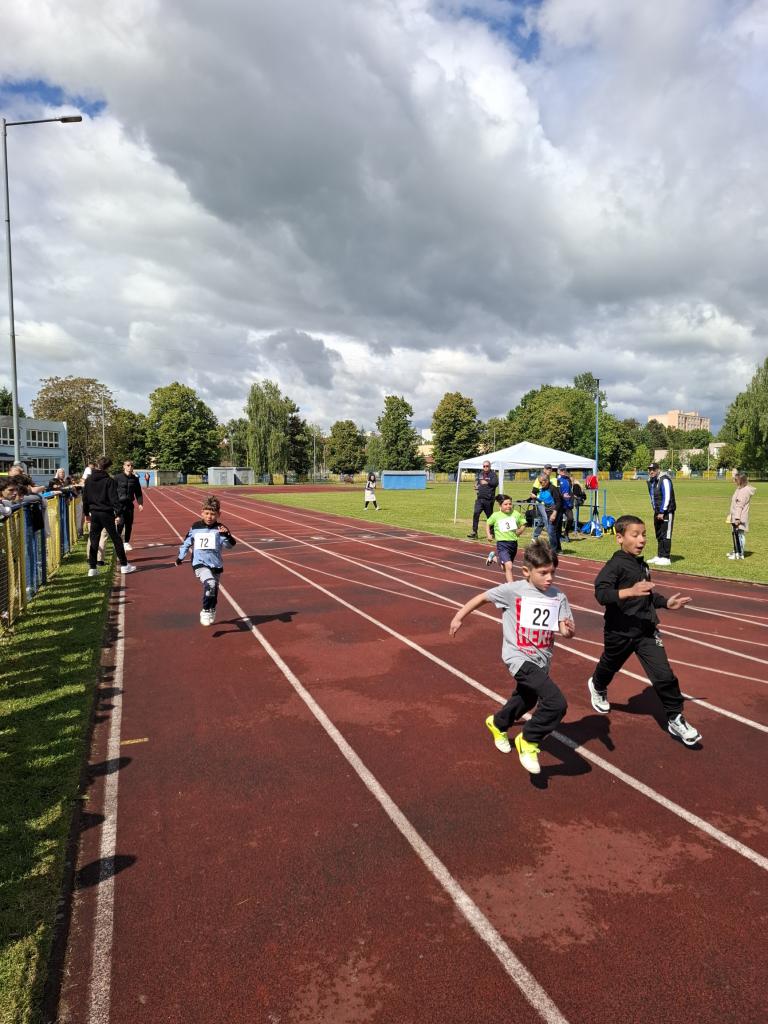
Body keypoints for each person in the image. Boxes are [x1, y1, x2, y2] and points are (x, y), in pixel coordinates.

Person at [449, 540, 575, 775]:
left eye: (553, 572)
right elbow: (482, 597)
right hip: (518, 657)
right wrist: (459, 617)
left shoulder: (558, 596)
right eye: (543, 573)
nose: (549, 578)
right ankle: (528, 740)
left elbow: (565, 631)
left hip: (542, 659)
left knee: (527, 699)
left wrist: (568, 630)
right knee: (556, 702)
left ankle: (498, 723)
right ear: (526, 571)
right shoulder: (512, 590)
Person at [586, 514, 700, 746]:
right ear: (619, 538)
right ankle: (597, 685)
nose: (642, 540)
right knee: (610, 664)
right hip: (620, 631)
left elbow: (647, 595)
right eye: (635, 535)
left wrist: (666, 603)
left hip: (646, 630)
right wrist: (629, 591)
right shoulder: (615, 565)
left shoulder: (641, 564)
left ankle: (675, 717)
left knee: (664, 675)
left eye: (644, 535)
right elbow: (601, 593)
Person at [175, 495, 236, 626]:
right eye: (207, 513)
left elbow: (230, 546)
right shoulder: (195, 527)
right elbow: (186, 543)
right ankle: (205, 610)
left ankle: (212, 608)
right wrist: (180, 557)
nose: (209, 517)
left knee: (213, 590)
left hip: (216, 565)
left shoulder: (220, 529)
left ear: (219, 514)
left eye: (213, 514)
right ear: (201, 512)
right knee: (210, 584)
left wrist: (227, 535)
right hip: (199, 563)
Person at [82, 457, 136, 577]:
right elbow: (114, 499)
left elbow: (85, 498)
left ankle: (92, 568)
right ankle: (124, 565)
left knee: (94, 539)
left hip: (94, 513)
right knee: (116, 539)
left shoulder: (89, 480)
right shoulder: (109, 481)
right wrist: (118, 514)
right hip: (106, 514)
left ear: (97, 465)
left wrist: (86, 513)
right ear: (108, 467)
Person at [484, 494, 526, 581]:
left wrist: (520, 530)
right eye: (505, 504)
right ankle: (511, 586)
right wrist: (488, 534)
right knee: (509, 566)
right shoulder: (496, 515)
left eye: (510, 504)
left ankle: (494, 558)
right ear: (500, 505)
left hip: (513, 544)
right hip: (502, 544)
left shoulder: (516, 514)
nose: (508, 506)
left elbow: (523, 523)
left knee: (505, 568)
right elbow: (488, 523)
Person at [646, 462, 676, 565]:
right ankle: (660, 555)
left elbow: (667, 497)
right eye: (650, 470)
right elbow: (652, 497)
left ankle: (666, 557)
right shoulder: (652, 481)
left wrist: (662, 511)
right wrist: (656, 510)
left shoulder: (665, 480)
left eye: (653, 469)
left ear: (658, 470)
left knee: (666, 534)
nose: (651, 471)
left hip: (666, 512)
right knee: (659, 534)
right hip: (657, 512)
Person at [114, 460, 144, 550]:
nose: (130, 467)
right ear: (124, 466)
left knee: (129, 524)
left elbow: (138, 492)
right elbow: (112, 491)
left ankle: (126, 542)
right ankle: (118, 542)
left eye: (131, 465)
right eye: (128, 465)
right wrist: (113, 503)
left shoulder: (135, 479)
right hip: (119, 504)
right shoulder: (117, 477)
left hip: (129, 504)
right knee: (120, 523)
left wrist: (140, 503)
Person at [529, 473, 561, 551]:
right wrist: (536, 498)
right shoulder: (542, 489)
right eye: (539, 482)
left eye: (541, 482)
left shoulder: (553, 489)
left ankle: (553, 550)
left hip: (555, 512)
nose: (540, 484)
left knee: (551, 531)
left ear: (546, 481)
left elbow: (558, 502)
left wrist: (554, 513)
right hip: (548, 512)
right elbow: (544, 501)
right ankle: (557, 548)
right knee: (552, 531)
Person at [727, 472, 755, 560]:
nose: (734, 481)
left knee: (739, 535)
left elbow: (739, 506)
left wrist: (737, 518)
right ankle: (736, 550)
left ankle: (739, 552)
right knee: (737, 534)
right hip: (736, 515)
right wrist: (731, 514)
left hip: (739, 517)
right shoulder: (740, 489)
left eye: (736, 480)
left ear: (741, 480)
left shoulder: (743, 491)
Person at [467, 460, 498, 539]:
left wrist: (487, 482)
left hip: (488, 499)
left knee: (490, 517)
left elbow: (495, 483)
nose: (485, 467)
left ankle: (492, 532)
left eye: (487, 466)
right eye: (484, 466)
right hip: (479, 499)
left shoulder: (493, 474)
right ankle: (474, 532)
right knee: (476, 513)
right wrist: (477, 486)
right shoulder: (480, 474)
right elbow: (478, 483)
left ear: (490, 466)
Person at [555, 464, 574, 543]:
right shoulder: (557, 480)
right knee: (559, 521)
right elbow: (556, 492)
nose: (563, 471)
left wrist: (572, 499)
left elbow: (570, 490)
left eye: (564, 470)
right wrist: (563, 495)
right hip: (560, 504)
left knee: (571, 519)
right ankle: (559, 536)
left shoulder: (568, 479)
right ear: (558, 471)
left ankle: (566, 533)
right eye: (562, 470)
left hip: (567, 504)